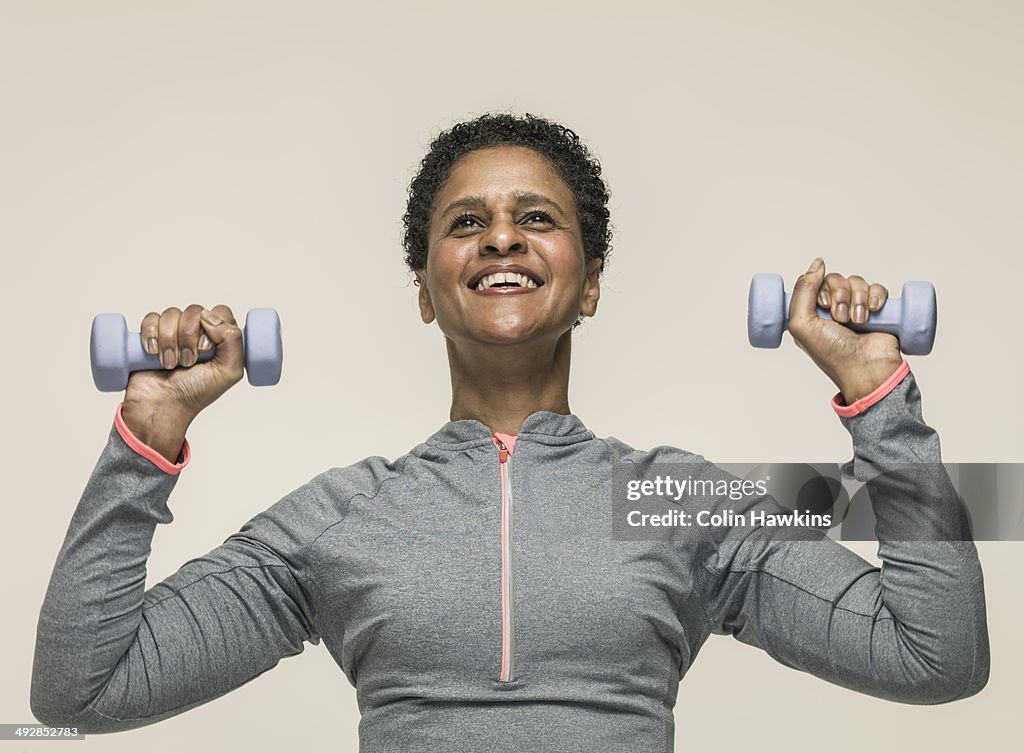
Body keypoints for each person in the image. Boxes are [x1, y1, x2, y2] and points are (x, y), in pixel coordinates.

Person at [31, 113, 990, 752]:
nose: (501, 238)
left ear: (592, 279)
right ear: (424, 288)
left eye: (536, 217)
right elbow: (82, 688)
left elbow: (935, 654)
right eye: (467, 222)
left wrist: (880, 396)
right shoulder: (342, 514)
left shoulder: (676, 496)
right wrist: (147, 430)